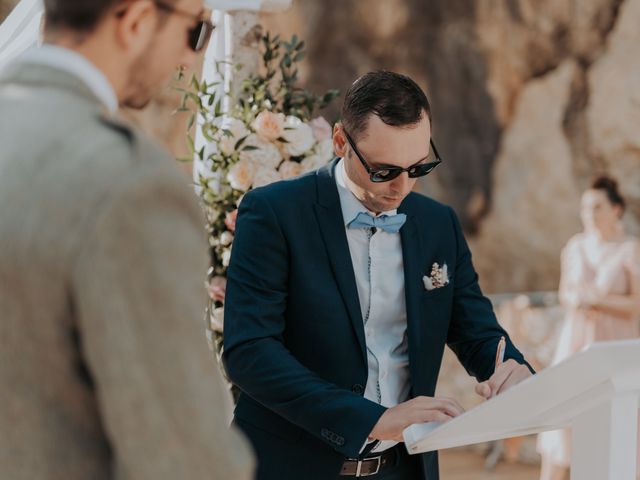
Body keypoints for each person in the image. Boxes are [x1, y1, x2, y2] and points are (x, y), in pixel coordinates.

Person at [223, 70, 533, 480]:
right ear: (340, 142)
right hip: (292, 466)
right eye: (384, 171)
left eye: (418, 167)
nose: (402, 187)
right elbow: (250, 352)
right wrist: (369, 420)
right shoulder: (274, 213)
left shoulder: (439, 224)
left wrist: (510, 369)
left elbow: (475, 330)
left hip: (405, 469)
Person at [0, 0, 253, 479]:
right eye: (196, 32)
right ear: (135, 19)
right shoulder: (128, 181)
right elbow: (182, 455)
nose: (191, 61)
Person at [538, 176, 640, 480]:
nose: (589, 214)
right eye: (585, 208)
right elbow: (564, 294)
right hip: (575, 344)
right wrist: (577, 299)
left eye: (597, 207)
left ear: (616, 209)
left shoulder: (631, 249)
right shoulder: (574, 246)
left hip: (615, 346)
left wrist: (596, 300)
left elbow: (636, 304)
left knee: (620, 425)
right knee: (560, 429)